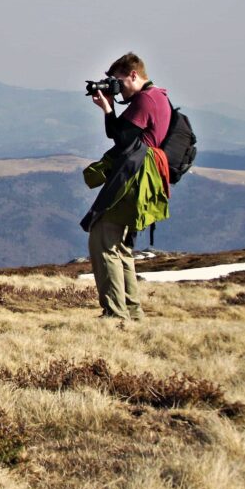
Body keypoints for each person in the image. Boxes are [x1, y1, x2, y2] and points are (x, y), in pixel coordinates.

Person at [80, 52, 171, 322]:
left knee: (103, 239)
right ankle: (131, 311)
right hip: (144, 176)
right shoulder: (158, 96)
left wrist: (108, 108)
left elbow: (120, 139)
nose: (117, 86)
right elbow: (124, 134)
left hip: (135, 176)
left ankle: (115, 314)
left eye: (119, 80)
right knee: (120, 247)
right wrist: (110, 106)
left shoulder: (145, 99)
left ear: (134, 75)